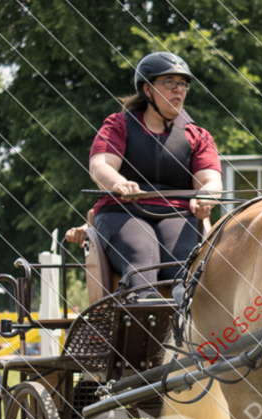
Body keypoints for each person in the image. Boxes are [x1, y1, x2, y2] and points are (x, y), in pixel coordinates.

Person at [88, 52, 222, 296]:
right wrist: (119, 183)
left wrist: (207, 197)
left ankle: (185, 323)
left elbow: (211, 180)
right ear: (147, 90)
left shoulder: (198, 136)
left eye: (182, 84)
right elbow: (100, 166)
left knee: (182, 268)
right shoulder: (118, 125)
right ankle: (143, 315)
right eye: (169, 82)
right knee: (143, 260)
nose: (178, 90)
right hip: (123, 211)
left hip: (178, 213)